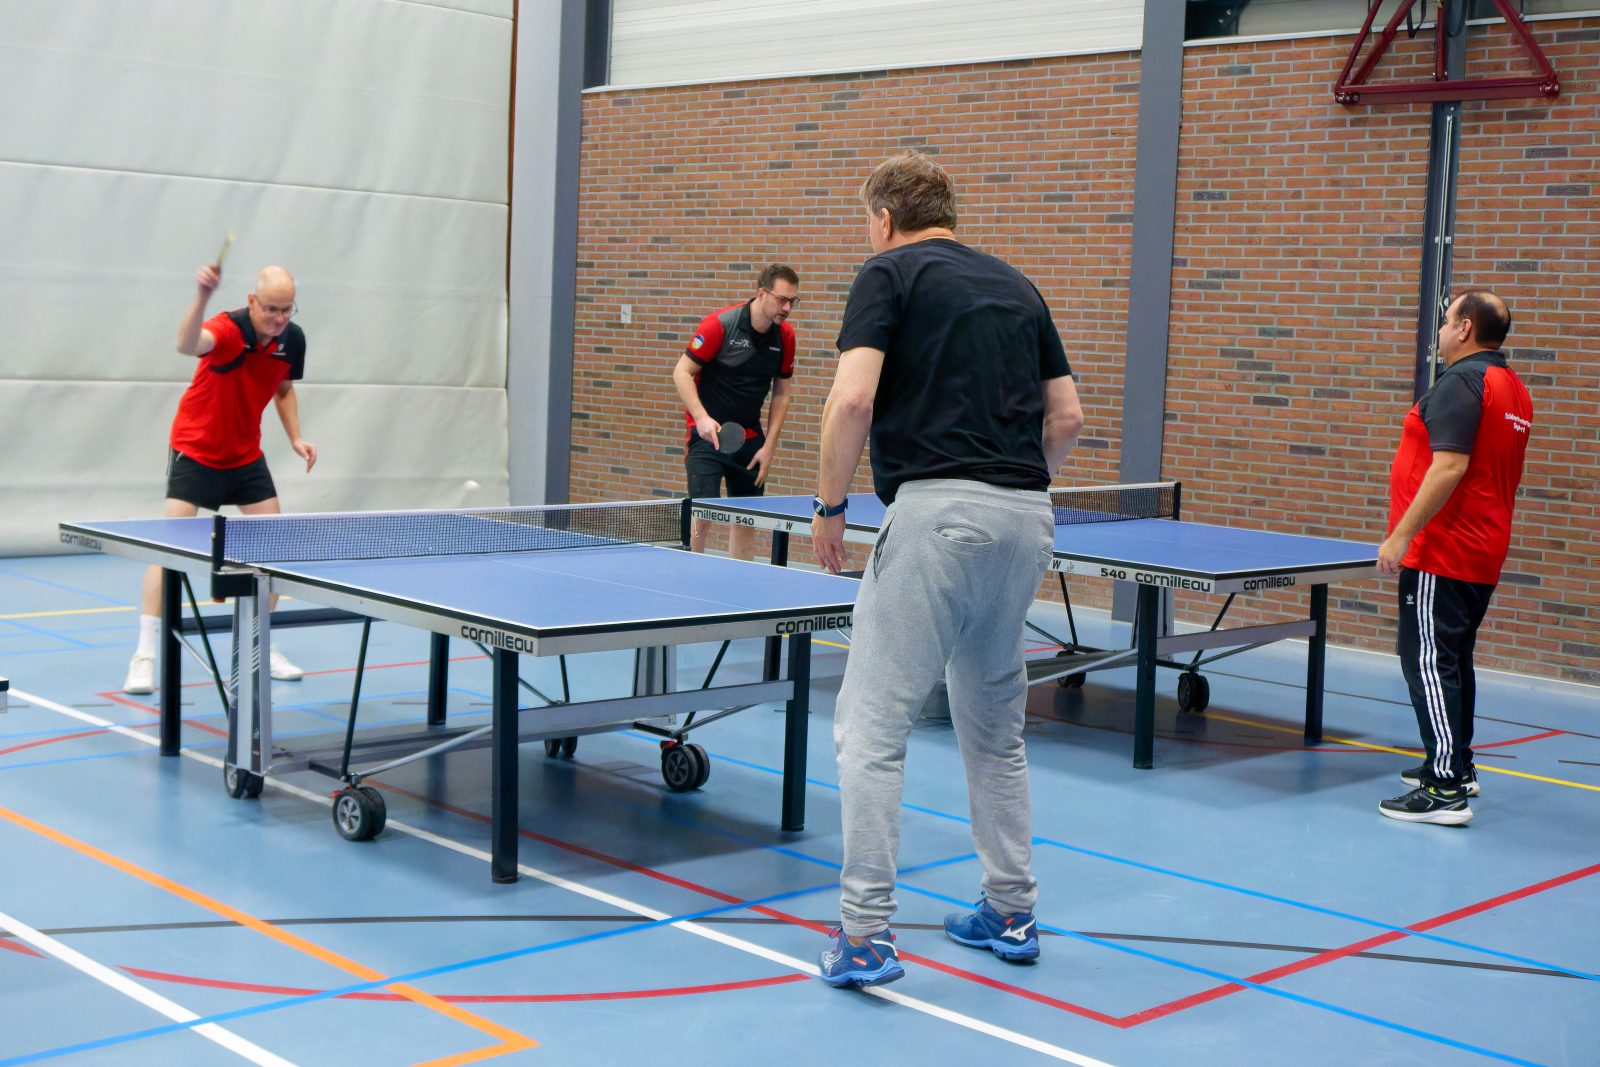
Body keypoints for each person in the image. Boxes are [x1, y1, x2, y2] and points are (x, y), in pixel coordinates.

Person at [811, 152, 1082, 987]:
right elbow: (1067, 417)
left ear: (884, 217)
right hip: (1028, 515)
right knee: (995, 727)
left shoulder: (887, 272)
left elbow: (853, 399)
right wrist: (1011, 491)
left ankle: (865, 933)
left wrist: (829, 506)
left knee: (871, 726)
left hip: (936, 513)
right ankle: (1011, 908)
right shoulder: (1018, 286)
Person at [123, 263, 318, 694]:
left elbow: (283, 387)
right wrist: (202, 295)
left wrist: (296, 437)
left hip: (245, 456)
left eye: (287, 309)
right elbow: (187, 343)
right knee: (168, 550)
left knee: (273, 550)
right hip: (196, 450)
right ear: (252, 302)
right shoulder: (227, 331)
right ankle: (145, 654)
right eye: (271, 309)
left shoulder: (292, 339)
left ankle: (258, 645)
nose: (279, 318)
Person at [1377, 289, 1533, 826]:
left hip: (1443, 551)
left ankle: (1444, 788)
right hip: (1481, 548)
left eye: (1447, 321)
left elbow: (1448, 467)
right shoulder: (1513, 388)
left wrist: (1401, 535)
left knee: (1426, 661)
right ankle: (1456, 767)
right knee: (1453, 659)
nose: (1440, 330)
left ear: (1465, 328)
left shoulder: (1462, 381)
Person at [673, 264, 799, 560]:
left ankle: (739, 582)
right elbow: (681, 372)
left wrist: (769, 447)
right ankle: (693, 576)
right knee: (702, 515)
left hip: (750, 439)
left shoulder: (785, 337)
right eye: (782, 299)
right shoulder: (720, 325)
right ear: (761, 293)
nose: (787, 308)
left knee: (746, 520)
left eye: (792, 301)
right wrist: (701, 418)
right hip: (708, 437)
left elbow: (782, 393)